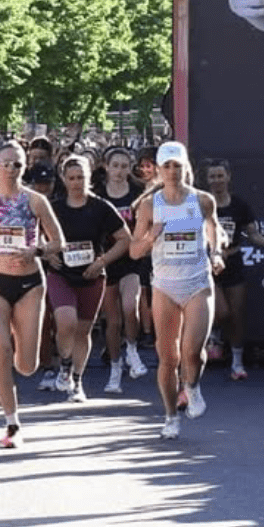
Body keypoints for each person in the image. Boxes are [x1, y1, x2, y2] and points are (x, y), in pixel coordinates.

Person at [0, 140, 64, 449]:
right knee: (0, 351)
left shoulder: (35, 201)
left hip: (29, 283)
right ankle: (12, 423)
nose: (11, 169)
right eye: (5, 163)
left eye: (17, 164)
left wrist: (38, 249)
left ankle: (23, 347)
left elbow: (58, 240)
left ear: (24, 167)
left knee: (27, 365)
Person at [131, 141, 223, 440]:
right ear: (158, 170)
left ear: (186, 169)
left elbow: (213, 231)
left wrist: (217, 253)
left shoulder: (202, 200)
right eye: (167, 166)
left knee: (191, 350)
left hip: (197, 281)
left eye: (177, 166)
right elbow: (133, 251)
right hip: (165, 286)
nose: (172, 172)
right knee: (168, 357)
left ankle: (192, 387)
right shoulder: (149, 205)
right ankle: (171, 416)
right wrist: (150, 238)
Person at [45, 154, 129, 401]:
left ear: (89, 177)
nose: (76, 182)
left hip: (91, 275)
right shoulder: (55, 207)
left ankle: (77, 382)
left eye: (81, 177)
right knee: (65, 321)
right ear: (63, 179)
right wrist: (47, 255)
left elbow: (125, 239)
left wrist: (102, 261)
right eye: (71, 178)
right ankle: (64, 365)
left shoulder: (101, 207)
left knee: (83, 331)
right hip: (61, 272)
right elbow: (36, 235)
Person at [203, 158, 264, 380]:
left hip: (233, 263)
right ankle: (212, 335)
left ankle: (236, 363)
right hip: (207, 264)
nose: (216, 180)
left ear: (228, 177)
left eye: (220, 175)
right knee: (221, 311)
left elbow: (252, 233)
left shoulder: (239, 205)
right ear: (207, 180)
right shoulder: (201, 204)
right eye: (212, 176)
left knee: (236, 315)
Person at [97, 146, 149, 393]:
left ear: (130, 169)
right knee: (112, 320)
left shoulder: (139, 193)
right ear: (106, 167)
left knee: (130, 306)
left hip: (131, 259)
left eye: (124, 166)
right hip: (106, 260)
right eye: (115, 165)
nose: (119, 171)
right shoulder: (96, 194)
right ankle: (115, 370)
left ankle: (132, 350)